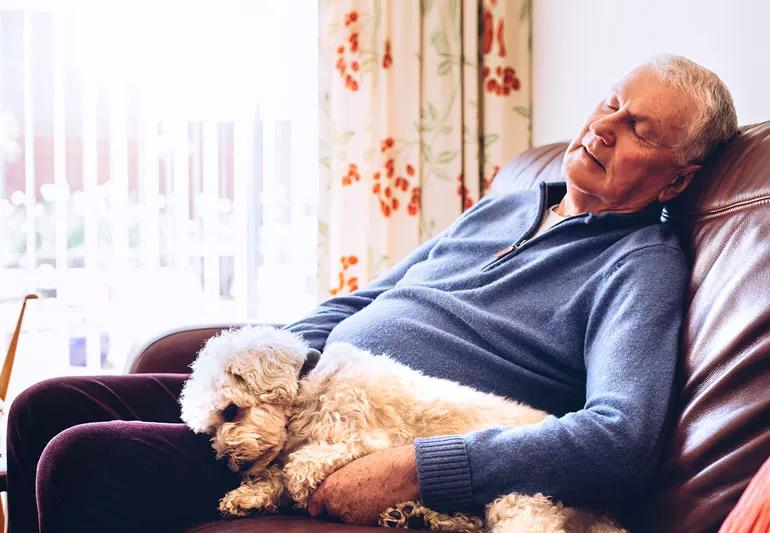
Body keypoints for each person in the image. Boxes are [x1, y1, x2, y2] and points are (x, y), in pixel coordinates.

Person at [6, 55, 737, 533]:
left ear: (676, 177)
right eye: (612, 103)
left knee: (79, 457)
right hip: (305, 394)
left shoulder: (640, 267)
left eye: (638, 127)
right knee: (45, 401)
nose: (605, 126)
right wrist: (273, 357)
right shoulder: (518, 198)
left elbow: (620, 437)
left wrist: (422, 465)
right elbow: (375, 294)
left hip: (360, 438)